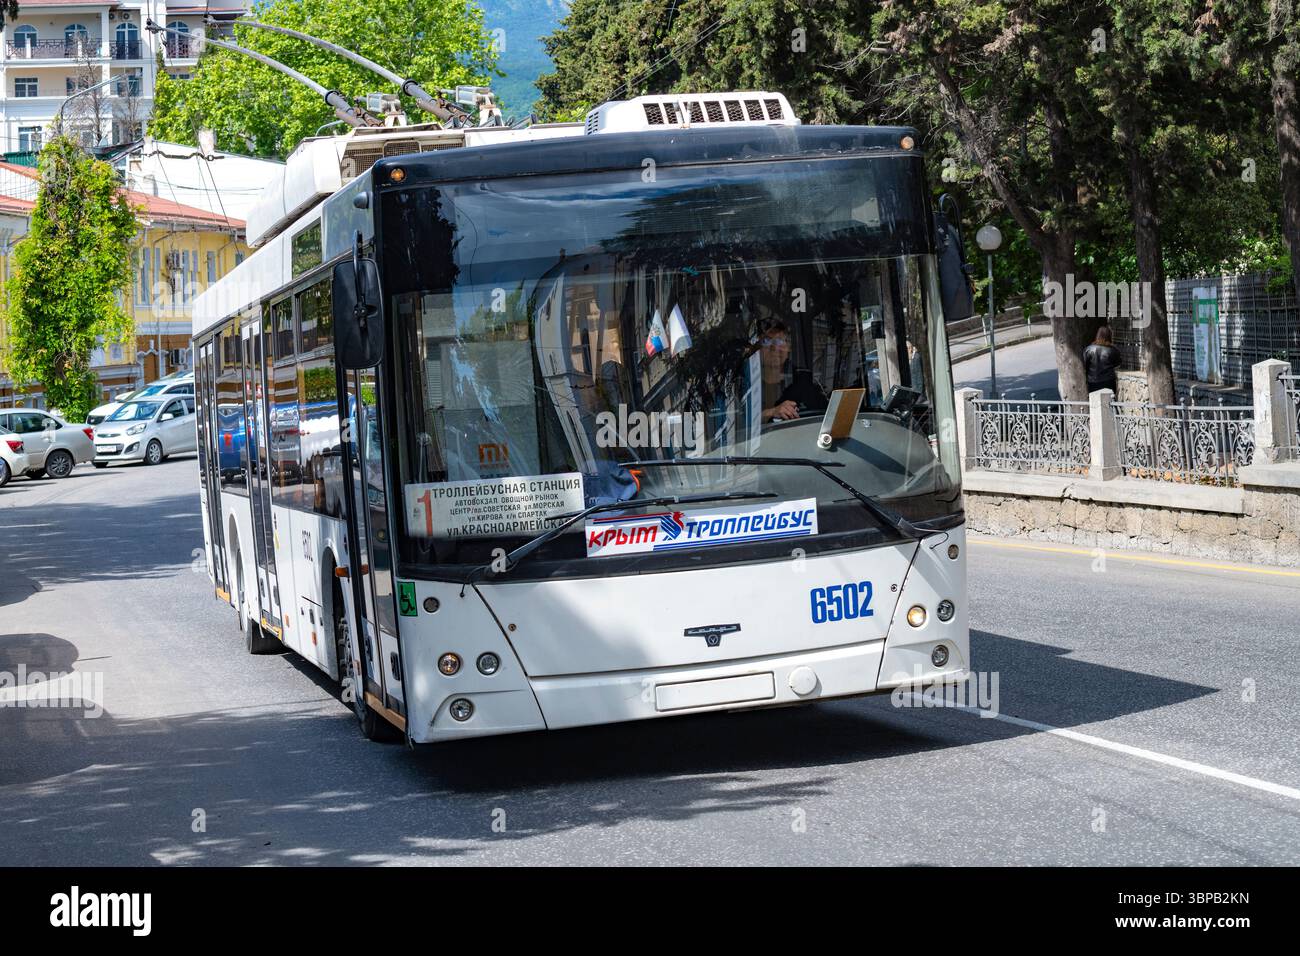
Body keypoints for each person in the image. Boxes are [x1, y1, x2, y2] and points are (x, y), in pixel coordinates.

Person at [756, 320, 826, 422]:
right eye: (767, 341)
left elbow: (824, 415)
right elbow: (740, 423)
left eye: (780, 341)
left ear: (788, 347)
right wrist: (771, 412)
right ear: (759, 348)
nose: (774, 347)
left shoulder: (804, 380)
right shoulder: (746, 382)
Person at [1084, 325, 1121, 394]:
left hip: (1092, 381)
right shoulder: (1113, 350)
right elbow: (1118, 363)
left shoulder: (1088, 349)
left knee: (1094, 402)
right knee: (1109, 402)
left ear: (1097, 335)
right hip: (1108, 380)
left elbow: (1085, 365)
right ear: (1109, 336)